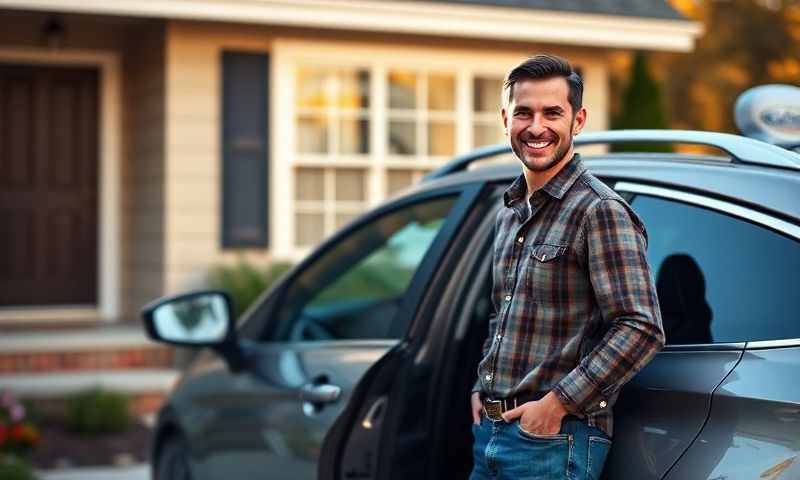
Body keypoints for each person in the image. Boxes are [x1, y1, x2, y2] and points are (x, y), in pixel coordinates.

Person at [469, 54, 664, 480]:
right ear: (505, 119)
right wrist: (481, 387)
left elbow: (641, 327)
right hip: (492, 433)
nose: (536, 127)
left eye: (552, 112)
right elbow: (504, 313)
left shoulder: (599, 210)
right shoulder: (509, 210)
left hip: (554, 441)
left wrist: (555, 405)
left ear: (577, 121)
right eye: (524, 112)